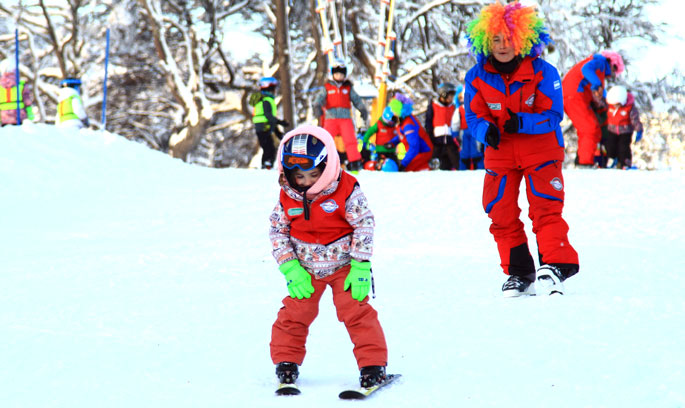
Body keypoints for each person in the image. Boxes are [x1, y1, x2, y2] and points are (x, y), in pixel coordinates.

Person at [464, 2, 579, 296]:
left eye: (509, 39)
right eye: (496, 39)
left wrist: (522, 123)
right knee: (498, 210)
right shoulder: (476, 75)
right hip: (500, 154)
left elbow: (553, 114)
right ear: (484, 41)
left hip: (541, 151)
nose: (502, 45)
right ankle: (519, 272)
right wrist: (484, 131)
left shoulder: (543, 72)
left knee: (545, 207)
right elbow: (474, 115)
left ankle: (556, 264)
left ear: (524, 39)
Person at [268, 125, 388, 390]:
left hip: (345, 266)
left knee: (356, 312)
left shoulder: (345, 189)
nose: (306, 181)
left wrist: (360, 265)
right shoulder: (287, 194)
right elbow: (277, 230)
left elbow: (364, 224)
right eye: (299, 176)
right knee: (294, 315)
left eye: (313, 174)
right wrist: (290, 268)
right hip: (305, 270)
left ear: (326, 165)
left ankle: (373, 365)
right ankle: (286, 362)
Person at [562, 50, 625, 167]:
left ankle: (583, 159)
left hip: (575, 97)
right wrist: (597, 84)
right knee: (590, 128)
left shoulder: (599, 74)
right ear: (611, 62)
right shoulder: (600, 62)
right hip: (574, 96)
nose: (612, 73)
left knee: (591, 128)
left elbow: (602, 94)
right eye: (614, 69)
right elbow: (585, 69)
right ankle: (584, 163)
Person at [312, 60, 369, 172]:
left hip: (345, 119)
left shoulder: (347, 88)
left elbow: (357, 100)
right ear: (332, 74)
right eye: (337, 74)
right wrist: (317, 107)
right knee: (326, 140)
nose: (339, 76)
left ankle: (355, 163)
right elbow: (318, 99)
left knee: (350, 140)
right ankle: (321, 161)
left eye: (342, 74)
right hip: (331, 119)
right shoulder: (327, 87)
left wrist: (362, 109)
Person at [387, 93, 433, 172]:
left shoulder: (408, 124)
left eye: (393, 109)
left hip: (423, 152)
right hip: (415, 153)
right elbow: (402, 135)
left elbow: (414, 147)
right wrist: (392, 143)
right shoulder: (403, 120)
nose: (392, 112)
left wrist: (404, 163)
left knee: (407, 170)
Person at [252, 77, 289, 169]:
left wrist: (278, 133)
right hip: (263, 127)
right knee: (269, 148)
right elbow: (268, 116)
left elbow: (270, 119)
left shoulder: (265, 99)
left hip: (263, 127)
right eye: (273, 88)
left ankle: (267, 165)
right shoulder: (266, 100)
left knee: (269, 147)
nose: (275, 91)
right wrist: (281, 122)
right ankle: (266, 166)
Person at [604, 85, 644, 169]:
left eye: (617, 104)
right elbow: (600, 103)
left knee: (624, 147)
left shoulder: (629, 108)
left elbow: (635, 119)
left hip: (625, 132)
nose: (615, 106)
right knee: (610, 146)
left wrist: (639, 130)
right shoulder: (609, 106)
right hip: (612, 130)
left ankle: (625, 162)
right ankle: (612, 160)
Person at [425, 82, 460, 170]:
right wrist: (431, 136)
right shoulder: (434, 106)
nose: (452, 99)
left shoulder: (453, 107)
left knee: (454, 159)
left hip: (450, 139)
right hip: (437, 140)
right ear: (443, 95)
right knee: (435, 160)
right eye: (450, 96)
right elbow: (428, 122)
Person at [453, 85, 484, 170]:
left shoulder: (478, 108)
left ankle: (479, 168)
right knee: (464, 152)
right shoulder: (459, 110)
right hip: (463, 133)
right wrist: (455, 134)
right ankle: (463, 169)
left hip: (475, 132)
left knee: (476, 151)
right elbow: (455, 123)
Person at [361, 105, 399, 170]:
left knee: (394, 166)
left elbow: (400, 136)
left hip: (392, 151)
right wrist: (365, 142)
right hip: (381, 151)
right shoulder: (379, 124)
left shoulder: (395, 127)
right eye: (390, 122)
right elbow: (369, 132)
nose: (391, 123)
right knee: (381, 167)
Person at [0, 58, 35, 126]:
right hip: (18, 116)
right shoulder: (20, 84)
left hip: (4, 117)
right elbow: (27, 100)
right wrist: (30, 113)